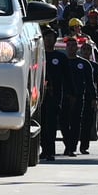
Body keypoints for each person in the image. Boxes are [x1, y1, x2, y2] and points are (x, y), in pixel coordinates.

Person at [41, 26, 67, 161]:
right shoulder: (39, 56)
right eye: (46, 37)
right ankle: (42, 149)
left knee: (51, 125)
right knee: (41, 124)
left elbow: (67, 77)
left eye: (51, 37)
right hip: (39, 96)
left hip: (54, 95)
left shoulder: (60, 57)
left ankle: (50, 151)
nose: (48, 39)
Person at [61, 38, 91, 157]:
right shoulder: (62, 62)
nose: (71, 47)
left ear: (77, 48)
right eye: (69, 45)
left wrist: (94, 97)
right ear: (66, 47)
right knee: (63, 123)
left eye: (74, 45)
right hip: (63, 97)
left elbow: (89, 82)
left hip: (78, 98)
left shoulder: (84, 64)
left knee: (75, 123)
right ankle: (67, 143)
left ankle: (71, 148)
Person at [78, 41, 98, 155]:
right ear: (81, 51)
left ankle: (84, 146)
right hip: (76, 96)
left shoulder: (96, 67)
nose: (86, 52)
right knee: (73, 122)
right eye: (84, 49)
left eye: (88, 49)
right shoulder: (76, 63)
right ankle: (70, 146)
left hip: (90, 98)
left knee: (87, 123)